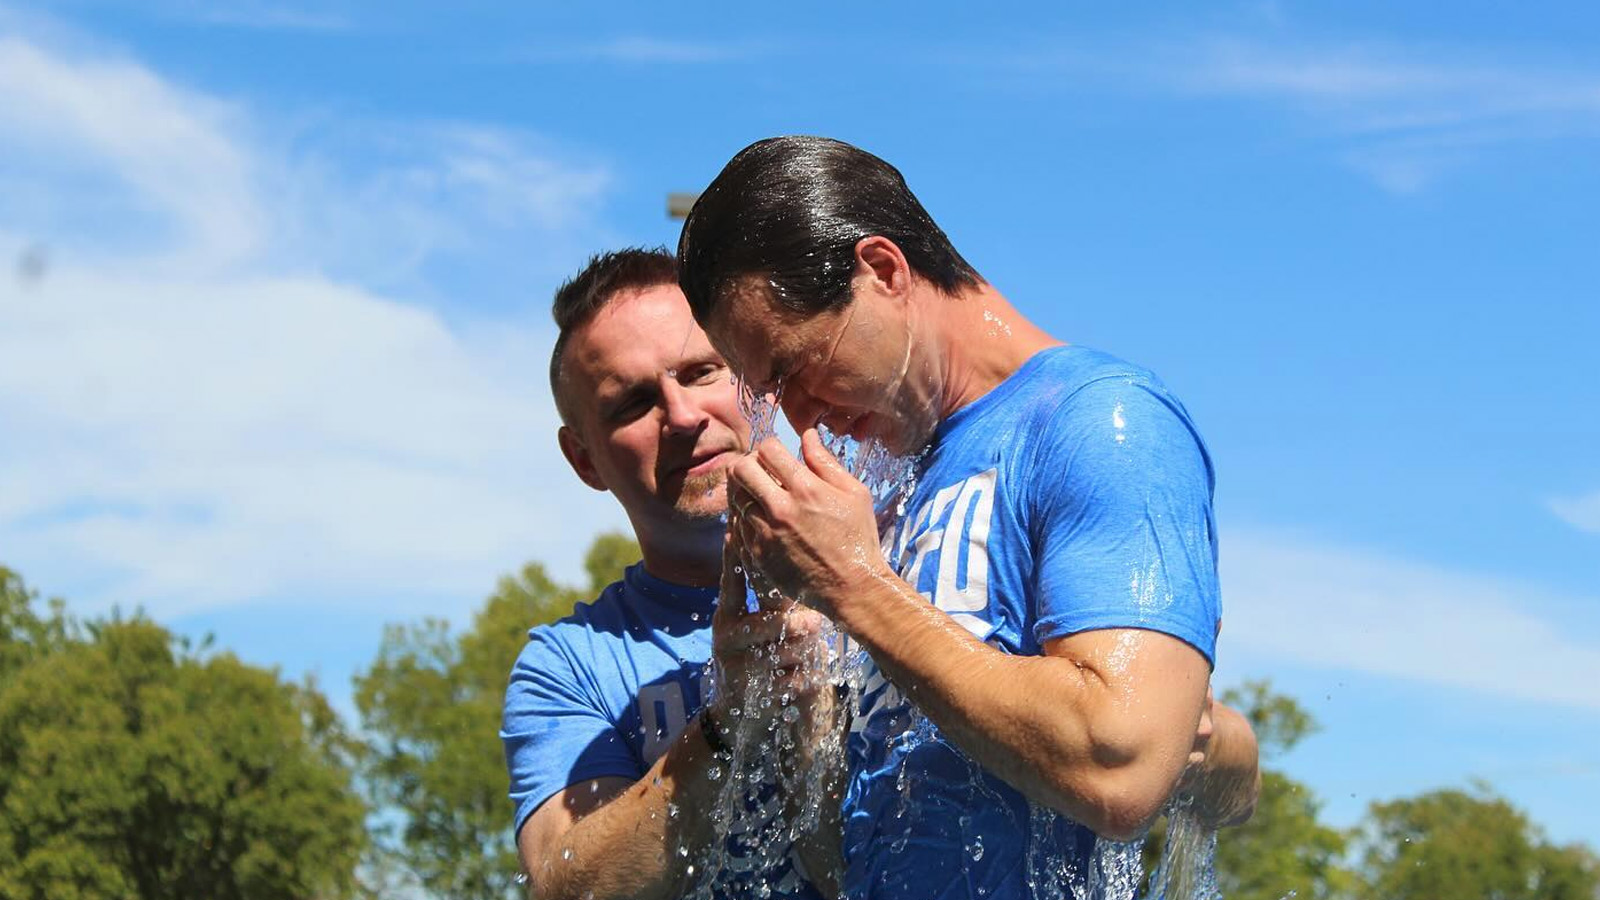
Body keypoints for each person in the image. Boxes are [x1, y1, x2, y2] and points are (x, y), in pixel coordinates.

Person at [676, 136, 1262, 899]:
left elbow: (1118, 770)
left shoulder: (1103, 422)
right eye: (770, 393)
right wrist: (797, 700)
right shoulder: (890, 485)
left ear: (882, 270)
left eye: (795, 368)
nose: (802, 418)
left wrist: (855, 585)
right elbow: (846, 860)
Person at [500, 248, 836, 900]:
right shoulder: (568, 666)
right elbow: (568, 888)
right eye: (632, 403)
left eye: (701, 371)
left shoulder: (889, 563)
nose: (682, 415)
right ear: (584, 460)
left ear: (755, 375)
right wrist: (726, 719)